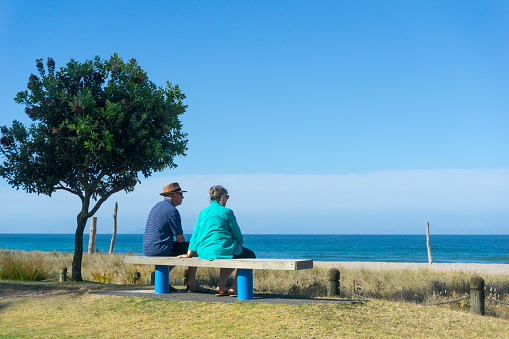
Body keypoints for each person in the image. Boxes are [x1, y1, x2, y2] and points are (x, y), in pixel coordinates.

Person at [178, 185, 255, 296]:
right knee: (248, 254)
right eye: (227, 196)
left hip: (203, 251)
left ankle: (222, 286)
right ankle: (234, 287)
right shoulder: (227, 212)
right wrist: (240, 244)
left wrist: (189, 253)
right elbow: (237, 233)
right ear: (223, 197)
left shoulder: (203, 212)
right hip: (222, 249)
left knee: (228, 252)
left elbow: (195, 234)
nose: (227, 199)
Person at [143, 182, 208, 293]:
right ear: (174, 195)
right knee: (195, 249)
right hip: (160, 248)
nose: (182, 197)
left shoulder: (156, 206)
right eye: (181, 195)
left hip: (148, 248)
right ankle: (191, 284)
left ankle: (162, 276)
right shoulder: (172, 211)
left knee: (182, 250)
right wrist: (188, 251)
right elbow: (180, 238)